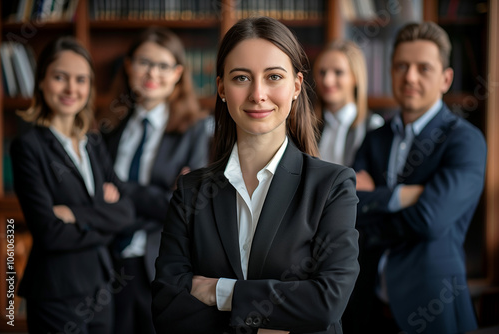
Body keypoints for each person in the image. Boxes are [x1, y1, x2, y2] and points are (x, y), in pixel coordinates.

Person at [151, 16, 360, 334]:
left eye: (274, 76)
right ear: (221, 87)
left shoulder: (332, 186)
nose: (258, 94)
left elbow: (326, 303)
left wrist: (220, 292)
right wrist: (274, 320)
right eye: (241, 78)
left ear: (296, 86)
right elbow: (168, 310)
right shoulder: (191, 191)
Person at [349, 22, 486, 334]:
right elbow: (347, 208)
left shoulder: (465, 140)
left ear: (446, 78)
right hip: (365, 305)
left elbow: (430, 219)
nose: (410, 76)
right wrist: (401, 196)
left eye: (423, 68)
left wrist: (374, 206)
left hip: (430, 305)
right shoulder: (374, 138)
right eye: (401, 66)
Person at [10, 36, 135, 333]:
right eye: (59, 77)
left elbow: (127, 213)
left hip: (101, 286)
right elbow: (50, 233)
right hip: (56, 292)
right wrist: (104, 215)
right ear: (41, 82)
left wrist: (75, 214)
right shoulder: (28, 147)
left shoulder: (93, 142)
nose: (71, 89)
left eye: (81, 80)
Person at [101, 27, 212, 334]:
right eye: (144, 62)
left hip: (159, 264)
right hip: (108, 260)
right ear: (128, 65)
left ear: (177, 73)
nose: (153, 72)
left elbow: (185, 208)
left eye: (163, 65)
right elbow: (96, 196)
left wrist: (122, 191)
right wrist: (161, 195)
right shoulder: (109, 126)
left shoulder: (194, 130)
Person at [312, 39, 383, 167]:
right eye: (322, 72)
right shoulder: (308, 127)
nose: (327, 81)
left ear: (355, 77)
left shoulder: (373, 126)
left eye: (338, 72)